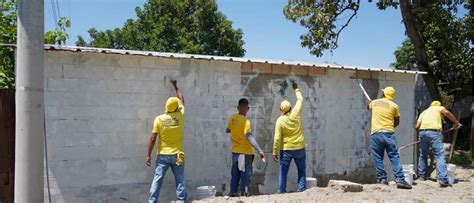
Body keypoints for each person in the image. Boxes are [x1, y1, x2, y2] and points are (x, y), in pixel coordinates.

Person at [146, 80, 187, 202]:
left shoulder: (159, 119)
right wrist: (176, 87)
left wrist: (148, 155)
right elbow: (182, 100)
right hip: (177, 155)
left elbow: (153, 138)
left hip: (163, 155)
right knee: (180, 180)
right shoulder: (180, 116)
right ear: (176, 108)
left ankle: (152, 201)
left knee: (157, 180)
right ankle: (181, 200)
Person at [368, 86, 411, 189]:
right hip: (389, 133)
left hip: (376, 133)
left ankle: (382, 179)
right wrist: (389, 127)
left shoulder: (375, 102)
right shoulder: (394, 106)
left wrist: (369, 102)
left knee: (378, 156)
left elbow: (368, 106)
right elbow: (397, 121)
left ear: (383, 94)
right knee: (394, 156)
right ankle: (400, 179)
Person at [226, 98, 265, 197]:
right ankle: (244, 194)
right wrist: (259, 150)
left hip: (235, 152)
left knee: (235, 174)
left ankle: (233, 193)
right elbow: (249, 137)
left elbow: (228, 130)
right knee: (245, 175)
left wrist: (236, 131)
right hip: (245, 153)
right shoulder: (246, 122)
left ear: (238, 107)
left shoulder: (232, 118)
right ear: (247, 108)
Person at [416, 101, 460, 187]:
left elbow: (417, 126)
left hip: (422, 132)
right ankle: (443, 179)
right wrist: (456, 123)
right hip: (434, 133)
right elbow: (446, 112)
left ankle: (422, 176)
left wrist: (424, 134)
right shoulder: (438, 108)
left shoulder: (424, 112)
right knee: (439, 155)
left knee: (423, 155)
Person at [272, 82, 306, 193]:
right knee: (301, 170)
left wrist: (274, 151)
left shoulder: (280, 121)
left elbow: (277, 138)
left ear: (281, 110)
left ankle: (281, 190)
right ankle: (302, 189)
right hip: (300, 147)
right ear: (291, 107)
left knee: (283, 171)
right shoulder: (296, 113)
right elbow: (300, 100)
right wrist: (296, 89)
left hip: (286, 150)